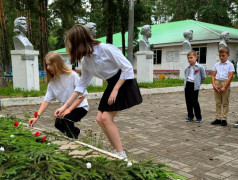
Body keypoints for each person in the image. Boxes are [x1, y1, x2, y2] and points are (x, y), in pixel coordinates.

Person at [55, 24, 142, 158]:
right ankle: (115, 150)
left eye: (71, 45)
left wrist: (116, 89)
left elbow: (128, 68)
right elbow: (81, 86)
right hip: (112, 84)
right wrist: (65, 107)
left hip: (123, 82)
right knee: (99, 119)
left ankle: (121, 154)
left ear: (79, 42)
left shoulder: (105, 49)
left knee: (106, 118)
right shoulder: (86, 61)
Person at [29, 51, 89, 139]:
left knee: (66, 120)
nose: (48, 67)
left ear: (57, 63)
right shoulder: (52, 83)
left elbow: (82, 95)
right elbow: (46, 101)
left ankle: (73, 140)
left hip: (80, 107)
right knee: (58, 124)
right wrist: (37, 117)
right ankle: (74, 132)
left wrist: (69, 109)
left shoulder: (72, 76)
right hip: (65, 108)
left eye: (50, 64)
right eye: (47, 65)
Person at [211, 46, 234, 126]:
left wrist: (225, 87)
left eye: (223, 55)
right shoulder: (217, 64)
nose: (221, 57)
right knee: (218, 102)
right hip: (217, 82)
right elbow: (213, 75)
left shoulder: (230, 65)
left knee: (225, 102)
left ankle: (224, 119)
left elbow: (230, 76)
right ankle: (218, 118)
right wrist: (214, 84)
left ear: (228, 55)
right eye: (220, 56)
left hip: (225, 83)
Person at [184, 50, 206, 123]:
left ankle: (199, 117)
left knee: (194, 101)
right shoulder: (188, 68)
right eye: (188, 58)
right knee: (188, 101)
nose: (189, 59)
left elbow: (203, 77)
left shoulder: (200, 67)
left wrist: (198, 83)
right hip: (188, 84)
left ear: (196, 57)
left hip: (195, 86)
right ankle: (190, 116)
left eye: (191, 57)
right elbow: (186, 75)